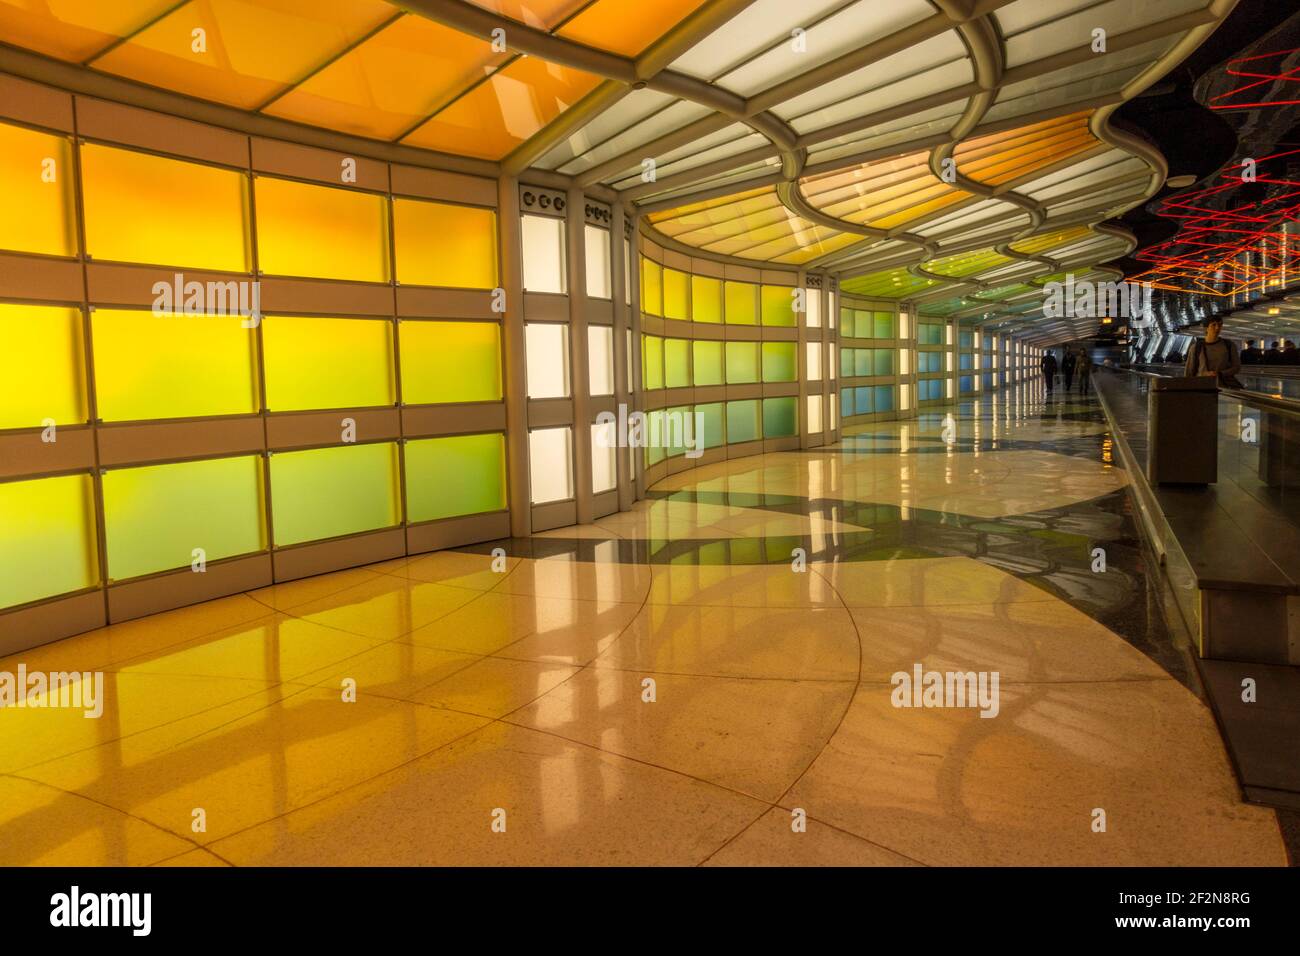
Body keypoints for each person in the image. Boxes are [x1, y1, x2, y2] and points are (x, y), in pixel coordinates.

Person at [1184, 316, 1242, 387]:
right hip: (1202, 387)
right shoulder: (1196, 348)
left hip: (1224, 387)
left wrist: (1220, 373)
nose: (1217, 328)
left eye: (1220, 325)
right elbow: (1189, 372)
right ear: (1206, 328)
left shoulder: (1229, 345)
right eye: (1213, 325)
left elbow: (1236, 367)